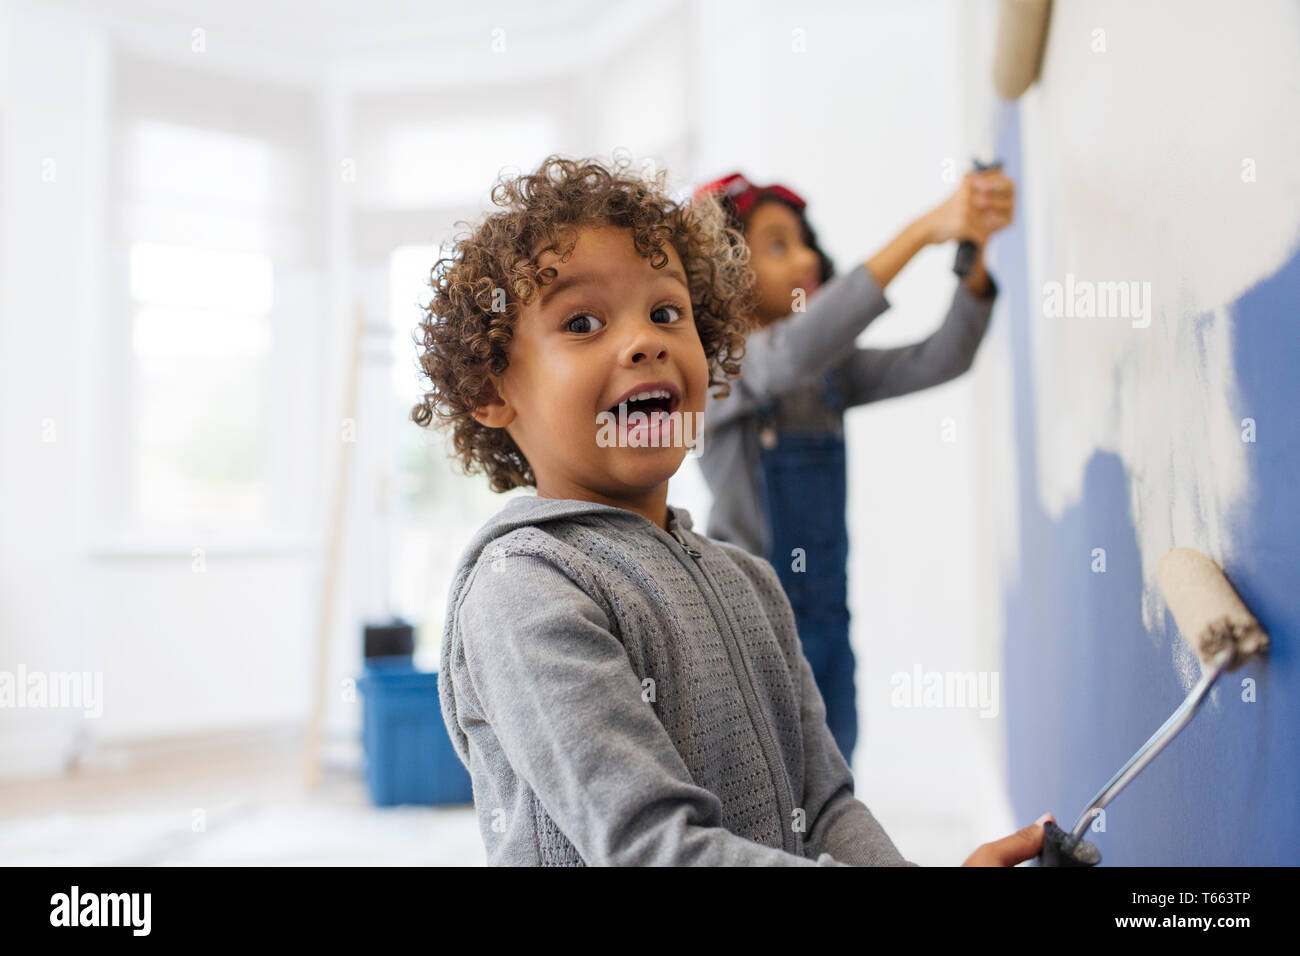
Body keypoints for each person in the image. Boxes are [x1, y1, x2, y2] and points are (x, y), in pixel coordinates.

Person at [411, 153, 1046, 865]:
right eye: (584, 321)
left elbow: (826, 806)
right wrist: (927, 228)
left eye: (666, 312)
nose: (645, 339)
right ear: (490, 392)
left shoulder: (753, 582)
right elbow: (655, 848)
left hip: (822, 601)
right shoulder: (522, 590)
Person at [691, 169, 1014, 766]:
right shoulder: (713, 372)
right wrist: (922, 232)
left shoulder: (825, 374)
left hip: (828, 620)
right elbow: (789, 353)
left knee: (834, 785)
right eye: (780, 245)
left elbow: (941, 358)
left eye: (806, 241)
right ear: (724, 274)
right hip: (749, 629)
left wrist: (972, 257)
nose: (809, 257)